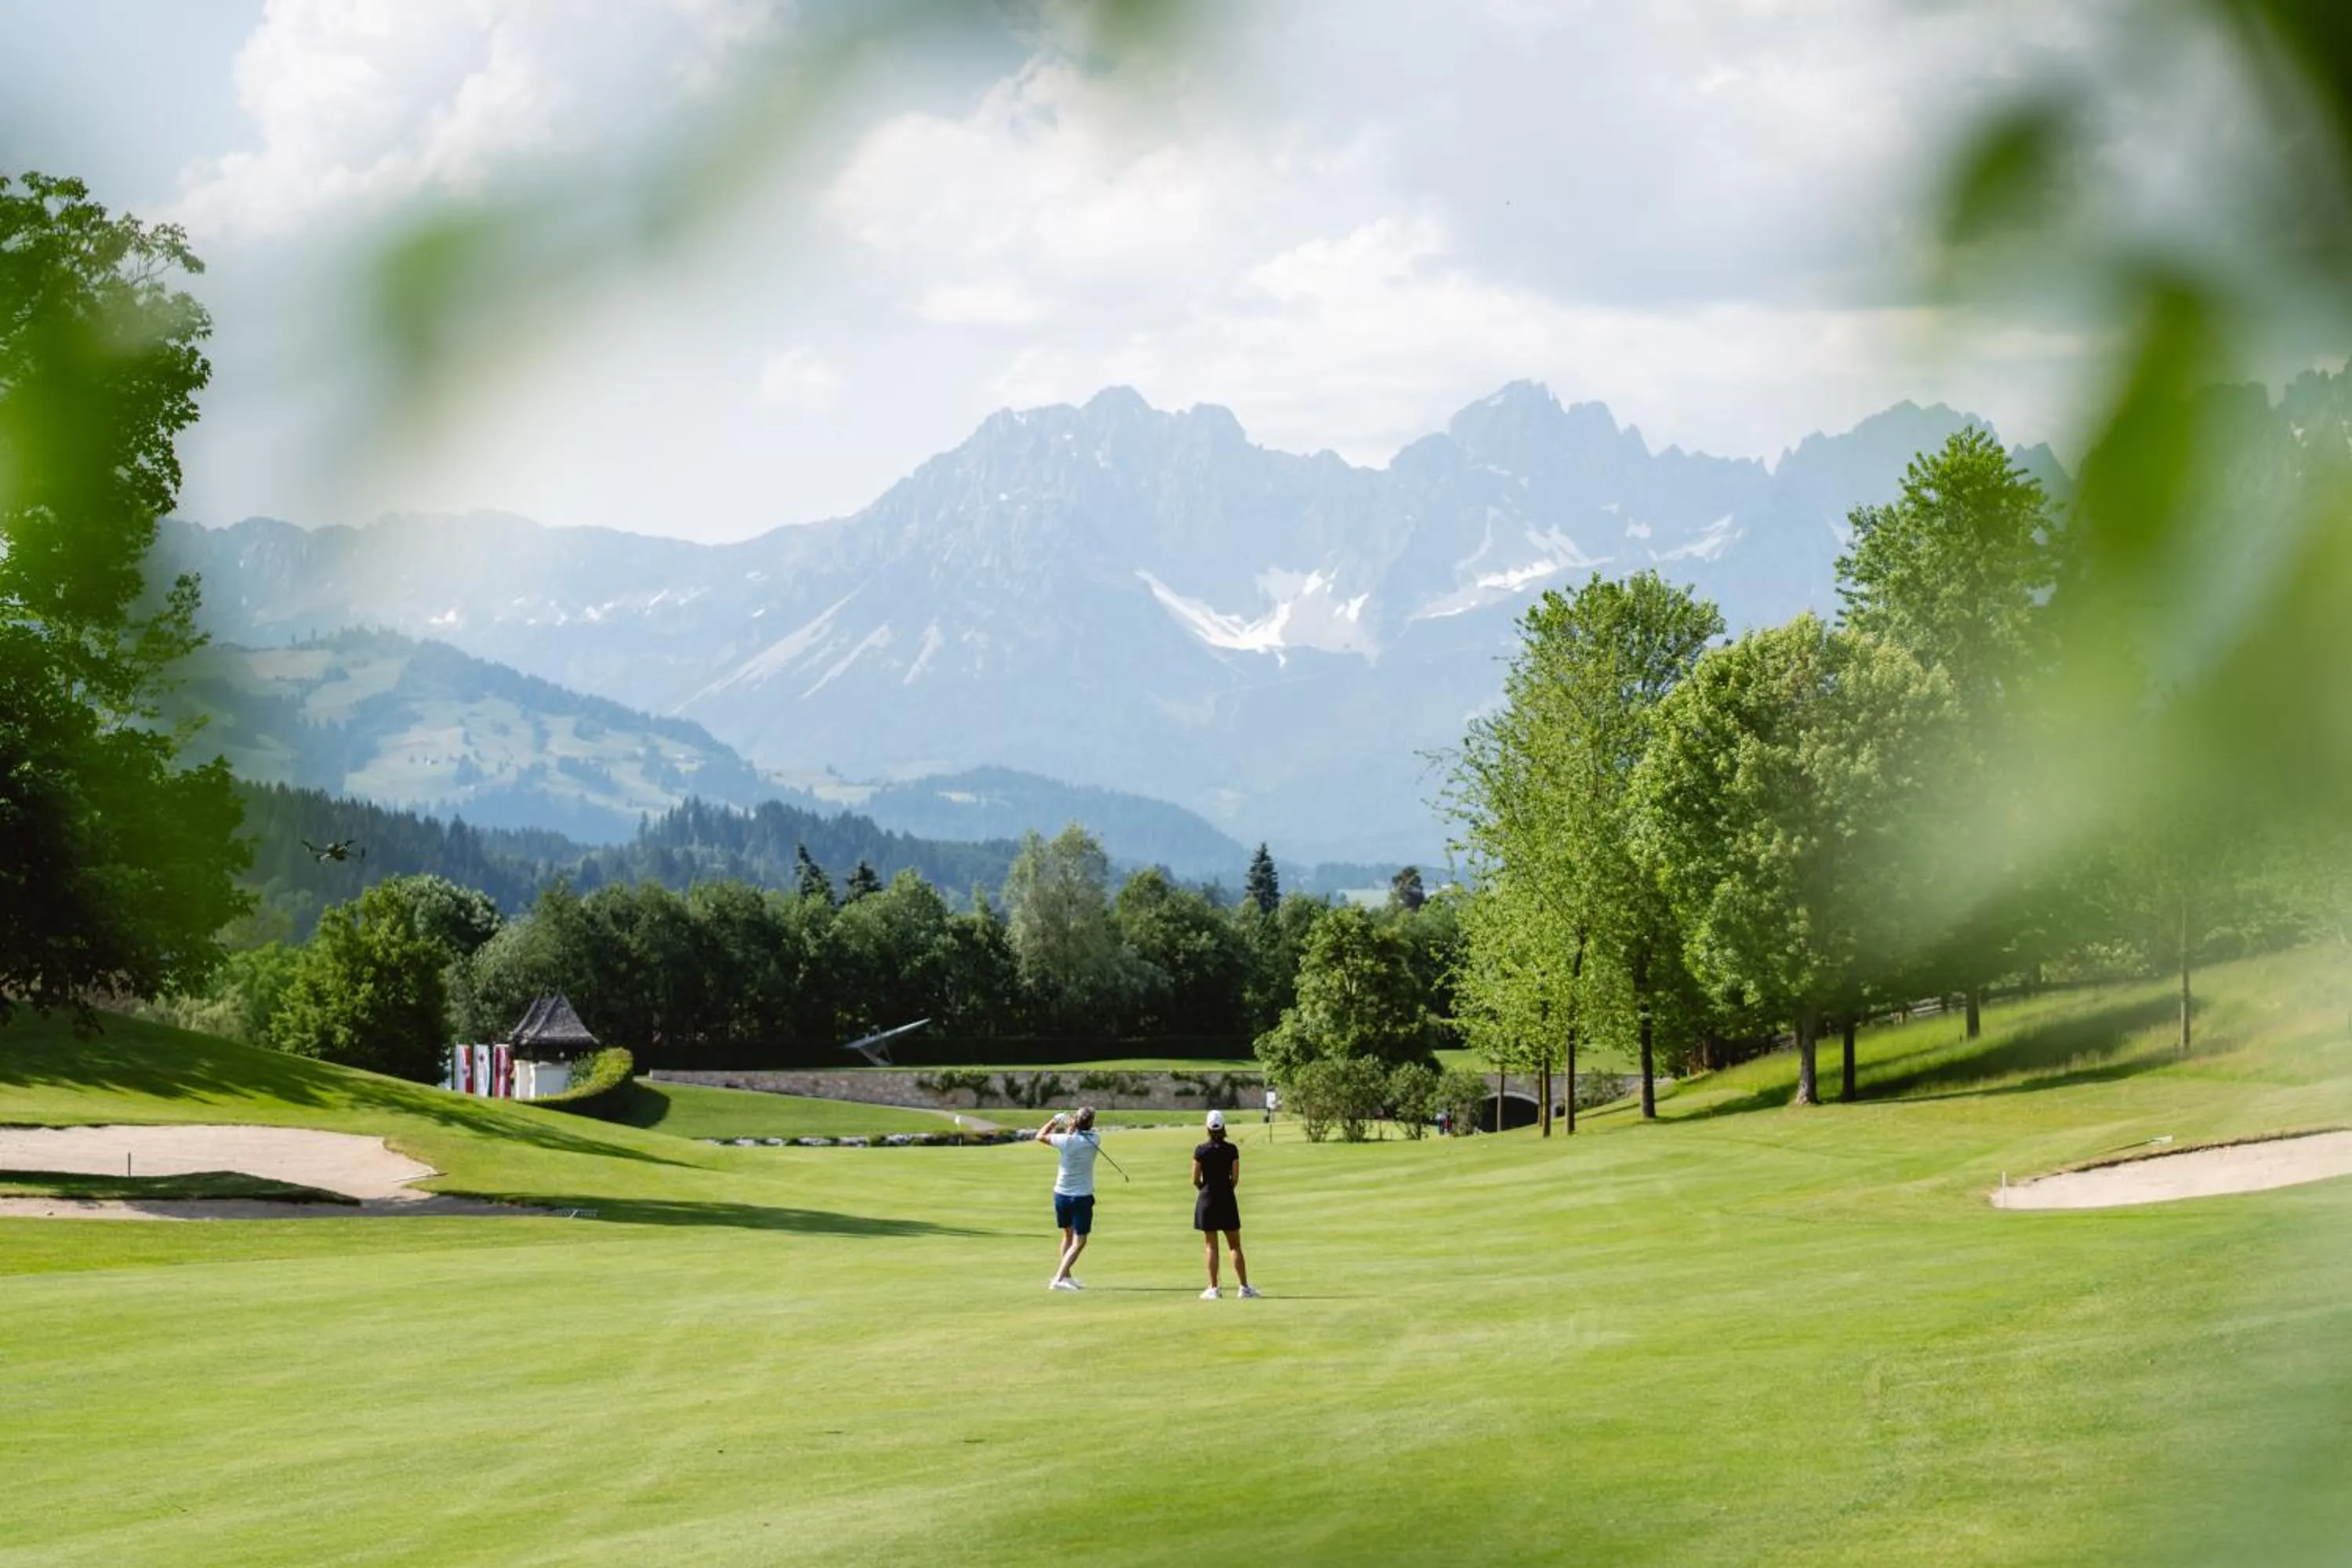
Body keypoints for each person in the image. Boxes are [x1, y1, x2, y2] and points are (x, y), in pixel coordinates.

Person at [1192, 1109, 1258, 1298]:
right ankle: (1244, 1288)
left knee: (1210, 1246)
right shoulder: (1232, 1150)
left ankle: (1213, 1288)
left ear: (1207, 1127)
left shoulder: (1200, 1150)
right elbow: (1235, 1178)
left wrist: (1205, 1190)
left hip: (1207, 1199)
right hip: (1227, 1199)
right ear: (1223, 1127)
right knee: (1235, 1245)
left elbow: (1195, 1179)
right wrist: (1224, 1190)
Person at [1036, 1106, 1101, 1290]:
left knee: (1068, 1235)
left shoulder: (1065, 1140)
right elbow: (1081, 1134)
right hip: (1081, 1197)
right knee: (1080, 1242)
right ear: (1091, 1122)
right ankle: (1058, 1278)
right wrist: (1073, 1126)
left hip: (1061, 1195)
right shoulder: (1095, 1140)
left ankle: (1066, 1277)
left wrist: (1056, 1119)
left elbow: (1040, 1135)